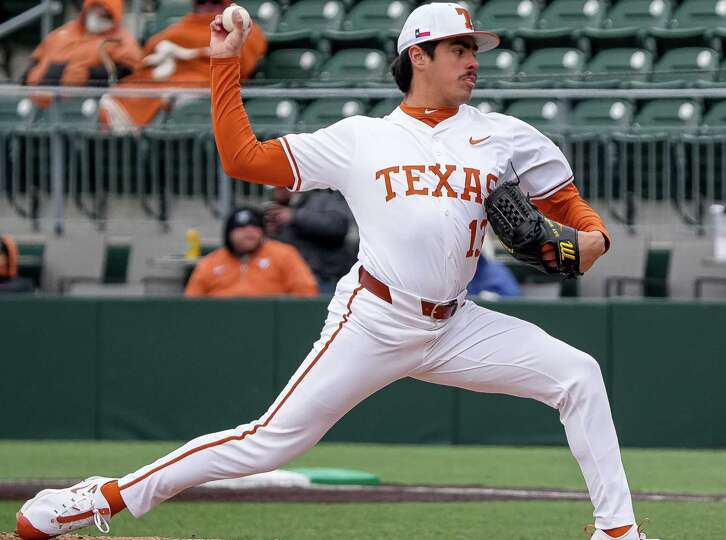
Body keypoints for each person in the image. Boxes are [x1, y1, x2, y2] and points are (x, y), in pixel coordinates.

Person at [14, 4, 645, 540]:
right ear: (417, 57)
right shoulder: (362, 138)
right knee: (268, 442)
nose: (473, 58)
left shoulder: (504, 135)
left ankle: (618, 531)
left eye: (474, 48)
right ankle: (103, 498)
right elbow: (243, 158)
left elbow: (564, 202)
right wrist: (223, 64)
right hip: (374, 318)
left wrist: (593, 239)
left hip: (456, 325)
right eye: (458, 47)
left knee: (578, 375)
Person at [99, 0, 266, 131]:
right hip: (164, 77)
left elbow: (242, 61)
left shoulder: (239, 31)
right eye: (201, 2)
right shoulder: (179, 28)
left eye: (214, 2)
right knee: (116, 97)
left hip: (199, 82)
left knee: (181, 98)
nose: (207, 7)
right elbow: (152, 50)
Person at [24, 0, 142, 104]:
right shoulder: (64, 32)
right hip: (35, 98)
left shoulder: (121, 39)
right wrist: (25, 82)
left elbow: (127, 71)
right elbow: (37, 57)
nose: (97, 16)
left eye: (104, 14)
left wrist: (90, 74)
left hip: (79, 103)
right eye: (94, 9)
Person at [184, 206, 318, 298]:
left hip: (271, 325)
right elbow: (191, 301)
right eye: (241, 227)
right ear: (229, 233)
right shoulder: (211, 262)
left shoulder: (284, 254)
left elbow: (307, 293)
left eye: (255, 226)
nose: (249, 231)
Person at [264, 187, 358, 293]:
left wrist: (295, 217)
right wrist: (268, 231)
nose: (275, 192)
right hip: (290, 280)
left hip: (323, 279)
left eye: (277, 188)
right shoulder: (278, 206)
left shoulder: (323, 198)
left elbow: (338, 225)